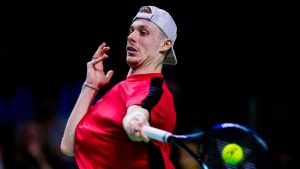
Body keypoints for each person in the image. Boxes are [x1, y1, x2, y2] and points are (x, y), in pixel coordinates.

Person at [60, 5, 178, 169]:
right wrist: (90, 85)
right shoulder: (121, 89)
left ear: (165, 44)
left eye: (143, 32)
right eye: (131, 30)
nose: (131, 37)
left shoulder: (152, 89)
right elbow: (69, 147)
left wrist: (135, 121)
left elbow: (138, 110)